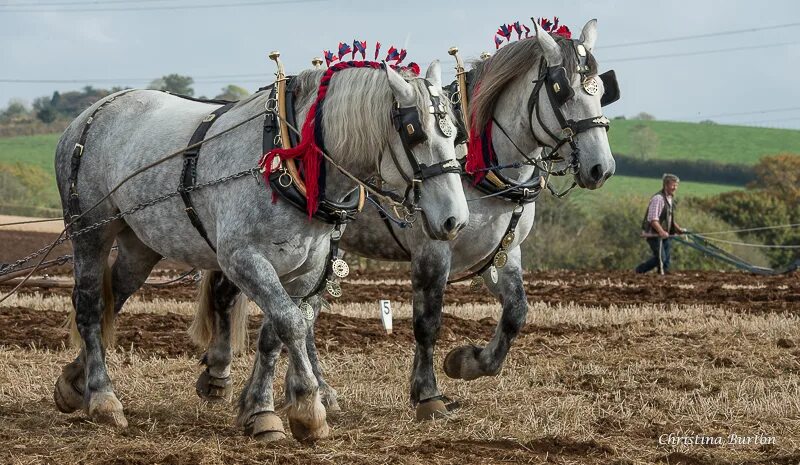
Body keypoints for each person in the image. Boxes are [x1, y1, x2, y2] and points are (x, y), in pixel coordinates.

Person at [635, 173, 686, 274]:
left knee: (666, 260)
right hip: (654, 234)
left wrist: (678, 229)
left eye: (676, 185)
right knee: (661, 258)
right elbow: (653, 219)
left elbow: (669, 218)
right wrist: (661, 231)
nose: (675, 188)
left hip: (665, 234)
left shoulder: (670, 199)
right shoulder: (658, 198)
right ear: (666, 185)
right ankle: (639, 270)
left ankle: (664, 278)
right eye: (673, 185)